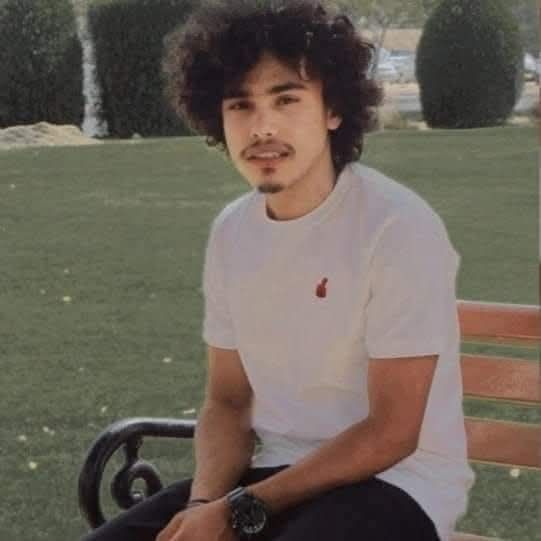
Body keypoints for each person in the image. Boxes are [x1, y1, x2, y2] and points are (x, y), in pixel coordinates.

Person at [81, 1, 475, 540]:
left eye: (286, 99)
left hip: (399, 484)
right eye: (240, 105)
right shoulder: (232, 232)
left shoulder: (397, 226)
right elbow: (229, 401)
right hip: (272, 476)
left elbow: (391, 432)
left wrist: (238, 511)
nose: (262, 127)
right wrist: (203, 504)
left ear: (333, 109)